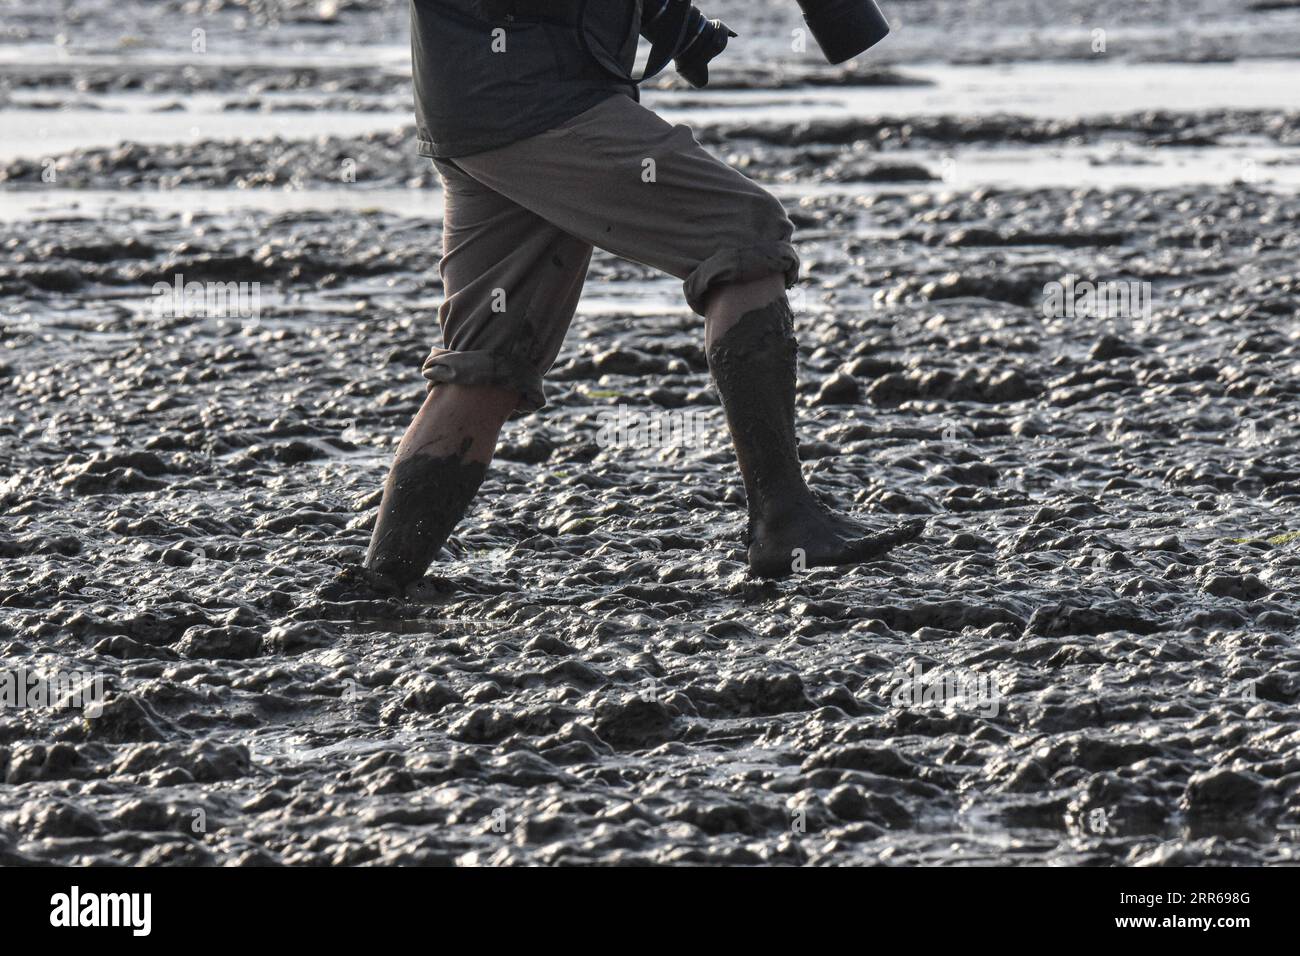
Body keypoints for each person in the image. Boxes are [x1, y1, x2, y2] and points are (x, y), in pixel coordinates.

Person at [361, 0, 922, 591]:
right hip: (541, 104)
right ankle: (785, 521)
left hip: (477, 107)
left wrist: (673, 24)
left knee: (488, 364)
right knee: (745, 238)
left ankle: (382, 587)